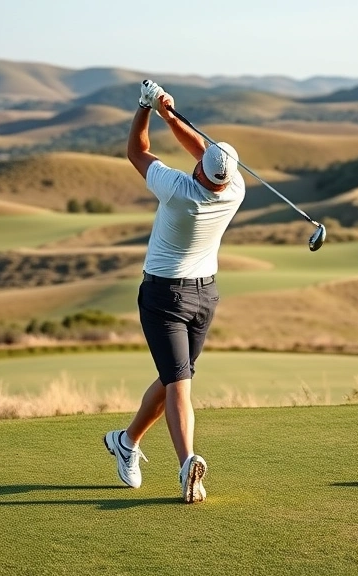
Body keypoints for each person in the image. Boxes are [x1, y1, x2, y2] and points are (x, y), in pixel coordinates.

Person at [103, 80, 245, 504]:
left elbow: (137, 152)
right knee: (179, 381)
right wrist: (170, 113)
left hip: (167, 295)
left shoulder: (180, 191)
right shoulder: (235, 189)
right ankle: (187, 464)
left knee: (174, 380)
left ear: (201, 170)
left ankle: (126, 441)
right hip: (200, 296)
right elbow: (203, 150)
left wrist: (145, 108)